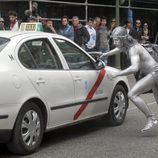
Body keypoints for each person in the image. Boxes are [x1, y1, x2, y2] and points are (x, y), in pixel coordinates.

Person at [101, 26, 158, 132]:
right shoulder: (127, 46)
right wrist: (105, 54)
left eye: (117, 39)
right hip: (154, 73)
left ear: (123, 39)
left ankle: (151, 118)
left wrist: (117, 74)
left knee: (132, 94)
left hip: (154, 74)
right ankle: (151, 118)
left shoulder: (133, 49)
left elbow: (134, 68)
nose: (114, 41)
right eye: (114, 39)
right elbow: (119, 49)